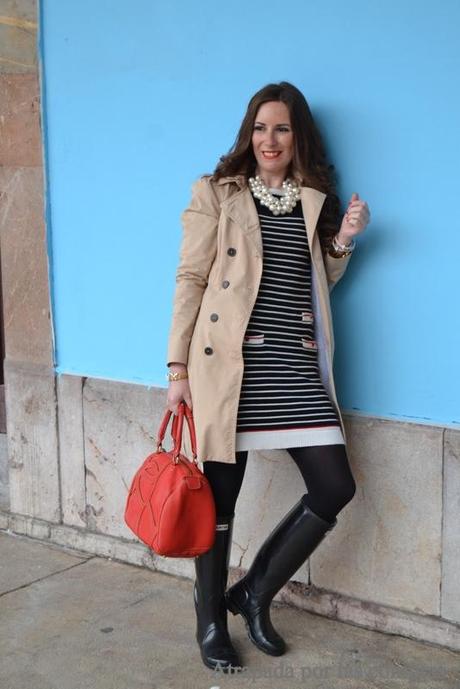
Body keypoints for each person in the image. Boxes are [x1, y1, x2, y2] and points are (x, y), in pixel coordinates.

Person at [166, 81, 370, 673]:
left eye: (281, 128)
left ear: (297, 135)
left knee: (335, 486)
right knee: (220, 505)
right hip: (232, 368)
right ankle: (210, 625)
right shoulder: (216, 193)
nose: (269, 139)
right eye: (259, 127)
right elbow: (190, 279)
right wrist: (177, 366)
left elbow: (315, 282)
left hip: (296, 366)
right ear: (247, 134)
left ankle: (254, 593)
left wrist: (344, 241)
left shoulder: (312, 196)